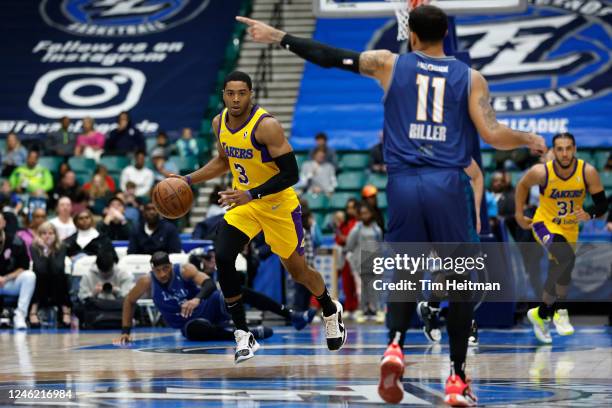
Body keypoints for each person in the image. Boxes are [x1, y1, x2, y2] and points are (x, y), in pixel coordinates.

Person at [236, 5, 546, 404]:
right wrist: (527, 139)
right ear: (445, 33)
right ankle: (456, 379)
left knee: (406, 274)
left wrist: (279, 36)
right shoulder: (471, 78)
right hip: (447, 184)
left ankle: (395, 345)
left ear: (410, 34)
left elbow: (330, 57)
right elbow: (492, 132)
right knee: (460, 281)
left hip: (402, 186)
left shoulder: (387, 63)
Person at [174, 70, 345, 364]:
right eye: (230, 93)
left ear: (251, 94)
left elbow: (291, 174)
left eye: (242, 93)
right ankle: (243, 333)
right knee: (224, 255)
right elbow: (223, 161)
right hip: (246, 204)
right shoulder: (219, 123)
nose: (236, 98)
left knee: (299, 272)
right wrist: (187, 180)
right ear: (224, 95)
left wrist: (251, 193)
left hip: (278, 205)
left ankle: (329, 307)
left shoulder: (267, 126)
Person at [515, 132, 607, 344]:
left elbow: (602, 204)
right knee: (565, 257)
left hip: (570, 228)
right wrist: (520, 215)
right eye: (560, 149)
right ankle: (560, 311)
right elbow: (521, 186)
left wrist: (590, 213)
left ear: (574, 149)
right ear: (553, 151)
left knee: (561, 269)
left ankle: (542, 313)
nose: (564, 153)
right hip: (544, 223)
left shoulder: (587, 172)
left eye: (568, 148)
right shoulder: (541, 172)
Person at [114, 251, 315, 345]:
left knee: (236, 290)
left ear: (170, 264)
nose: (163, 274)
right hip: (191, 323)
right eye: (158, 270)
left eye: (165, 268)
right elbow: (129, 301)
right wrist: (126, 331)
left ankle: (293, 315)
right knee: (193, 331)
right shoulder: (146, 282)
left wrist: (196, 299)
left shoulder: (184, 270)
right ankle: (245, 334)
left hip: (209, 305)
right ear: (152, 270)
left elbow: (209, 284)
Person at [345, 202, 384, 323]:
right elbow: (349, 245)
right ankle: (361, 310)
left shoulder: (377, 229)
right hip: (360, 264)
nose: (365, 216)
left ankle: (376, 310)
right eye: (362, 214)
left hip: (373, 263)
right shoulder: (356, 229)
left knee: (374, 288)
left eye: (367, 213)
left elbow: (379, 245)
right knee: (361, 289)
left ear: (371, 214)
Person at [29, 222, 72, 328]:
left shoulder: (61, 246)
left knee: (60, 276)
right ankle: (33, 311)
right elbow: (40, 268)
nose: (47, 236)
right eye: (44, 233)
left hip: (56, 280)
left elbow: (57, 268)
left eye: (50, 233)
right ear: (39, 235)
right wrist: (45, 249)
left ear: (55, 235)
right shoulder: (34, 247)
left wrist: (49, 251)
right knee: (39, 276)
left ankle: (65, 311)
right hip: (41, 280)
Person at [0, 213, 35, 330]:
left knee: (30, 276)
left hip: (9, 283)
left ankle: (20, 315)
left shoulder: (16, 241)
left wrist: (5, 278)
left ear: (4, 223)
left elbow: (24, 266)